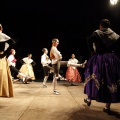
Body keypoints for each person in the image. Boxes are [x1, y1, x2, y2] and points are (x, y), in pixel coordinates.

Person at [84, 19, 120, 114]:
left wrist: (92, 51)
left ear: (101, 25)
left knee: (92, 75)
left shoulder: (97, 33)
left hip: (99, 58)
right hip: (112, 59)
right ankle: (107, 107)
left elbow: (88, 40)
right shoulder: (115, 35)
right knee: (110, 79)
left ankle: (89, 98)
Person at [0, 24, 15, 97]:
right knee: (2, 74)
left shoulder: (2, 35)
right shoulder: (3, 35)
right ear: (1, 29)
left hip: (1, 56)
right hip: (1, 56)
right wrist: (5, 53)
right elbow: (12, 42)